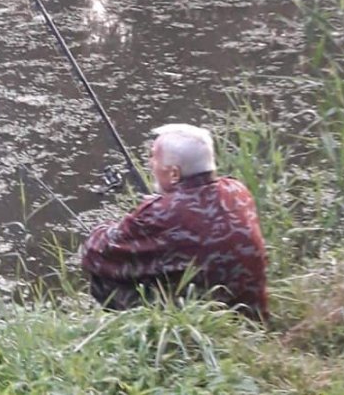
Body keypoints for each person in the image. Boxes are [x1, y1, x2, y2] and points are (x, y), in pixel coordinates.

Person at [81, 123, 268, 318]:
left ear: (174, 174)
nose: (150, 162)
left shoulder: (162, 213)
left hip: (203, 324)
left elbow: (95, 253)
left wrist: (118, 225)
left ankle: (147, 332)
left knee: (106, 276)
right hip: (250, 319)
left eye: (153, 156)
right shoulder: (238, 191)